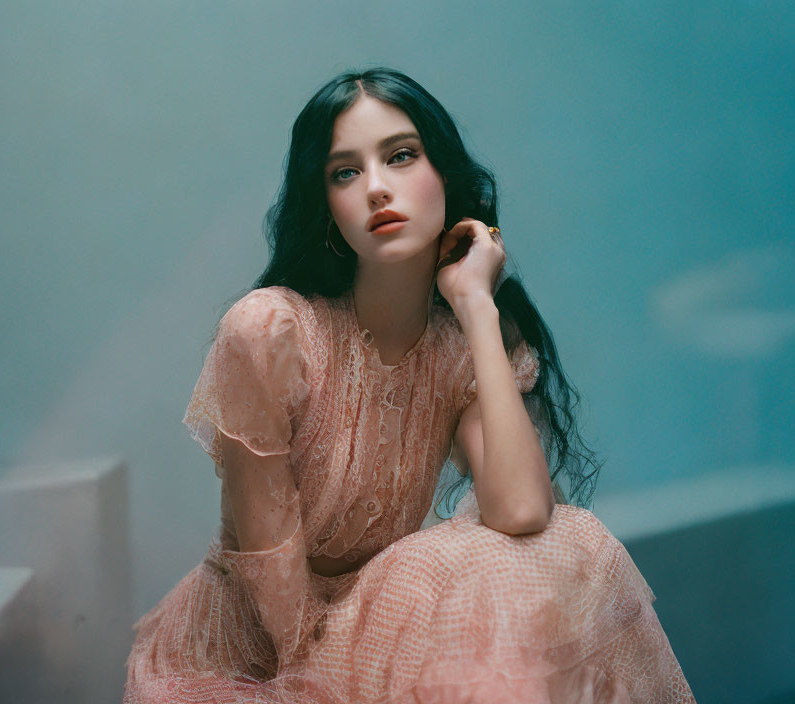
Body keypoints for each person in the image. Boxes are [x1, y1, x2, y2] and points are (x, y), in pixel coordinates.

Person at [124, 66, 695, 703]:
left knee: (557, 545)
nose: (375, 189)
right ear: (326, 206)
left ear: (444, 177)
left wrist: (477, 305)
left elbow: (524, 511)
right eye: (345, 172)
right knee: (448, 576)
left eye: (400, 156)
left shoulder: (459, 347)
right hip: (255, 655)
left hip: (377, 626)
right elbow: (275, 585)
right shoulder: (273, 331)